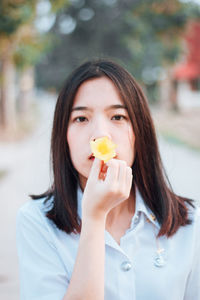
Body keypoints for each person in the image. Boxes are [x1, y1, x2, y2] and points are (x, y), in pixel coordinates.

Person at [16, 59, 200, 300]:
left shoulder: (190, 223)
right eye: (81, 119)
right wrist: (93, 217)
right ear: (64, 137)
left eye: (118, 117)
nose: (101, 134)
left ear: (139, 132)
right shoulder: (36, 222)